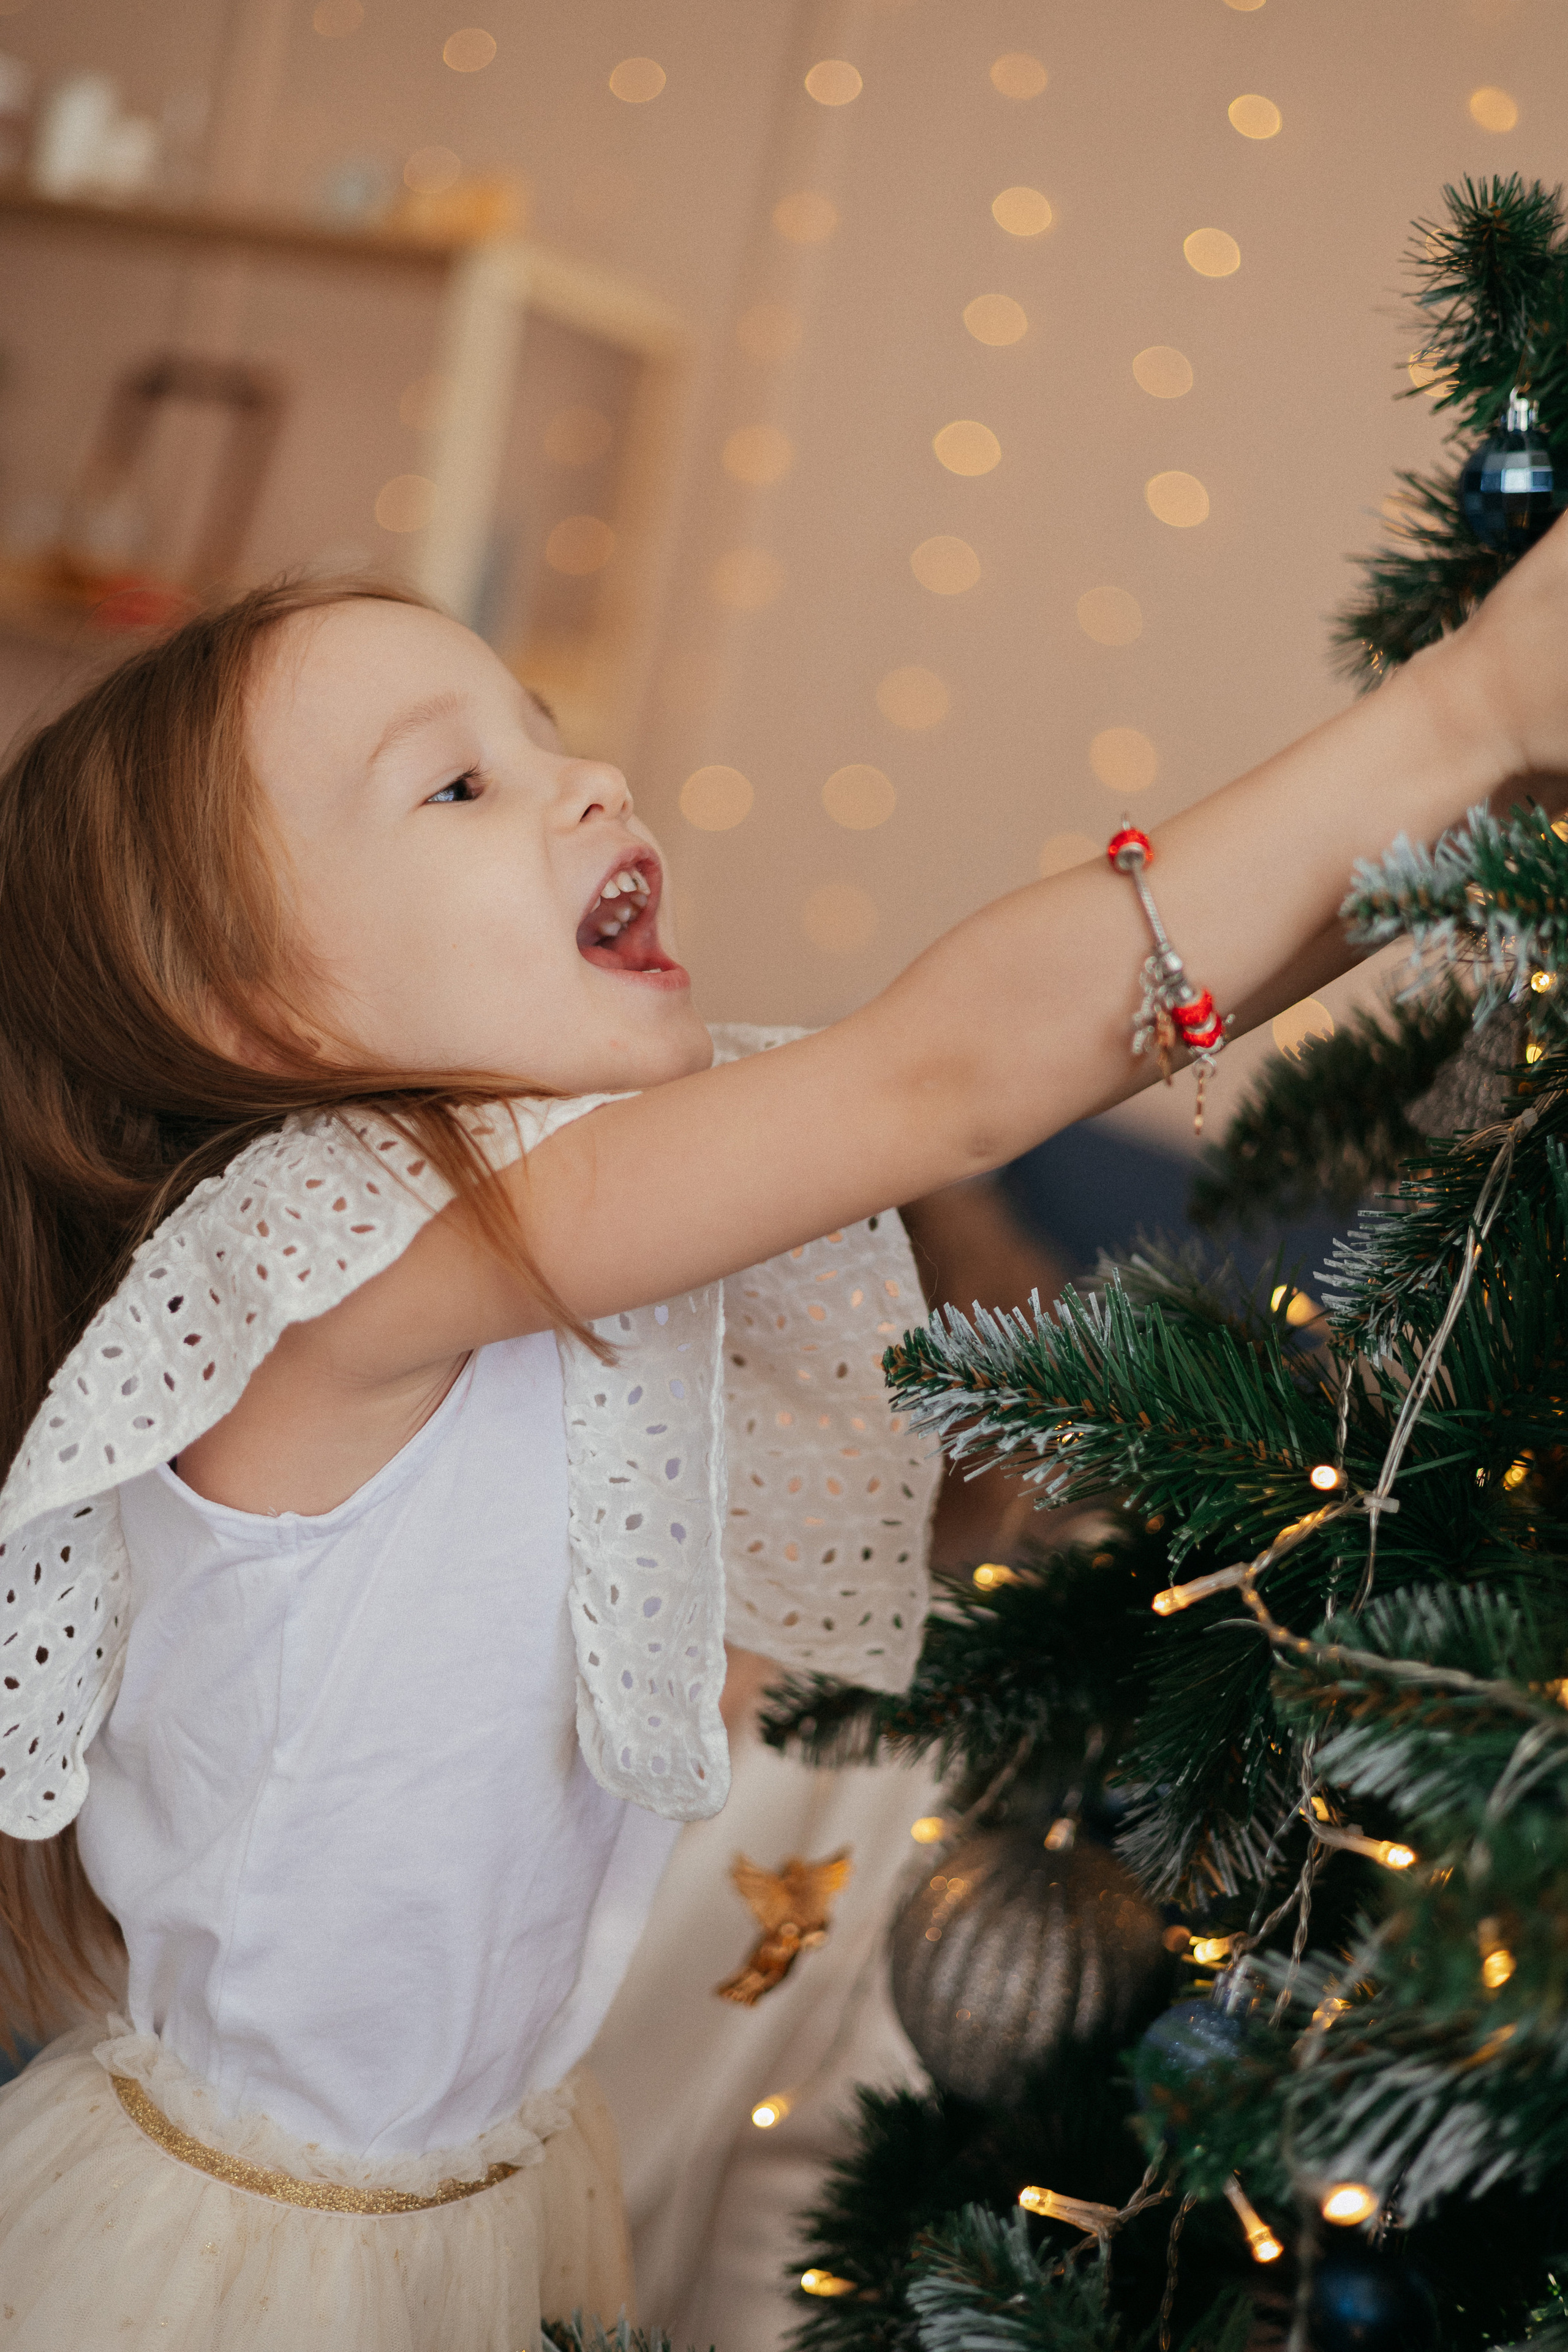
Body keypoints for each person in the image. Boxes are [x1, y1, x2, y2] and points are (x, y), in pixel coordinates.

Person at [0, 543, 1561, 2351]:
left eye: (549, 733)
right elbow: (956, 1073)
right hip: (255, 2286)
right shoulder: (323, 1256)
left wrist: (1467, 803)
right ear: (248, 1009)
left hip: (457, 2206)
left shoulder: (508, 1226)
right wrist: (1471, 703)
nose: (592, 780)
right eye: (459, 783)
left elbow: (1109, 1031)